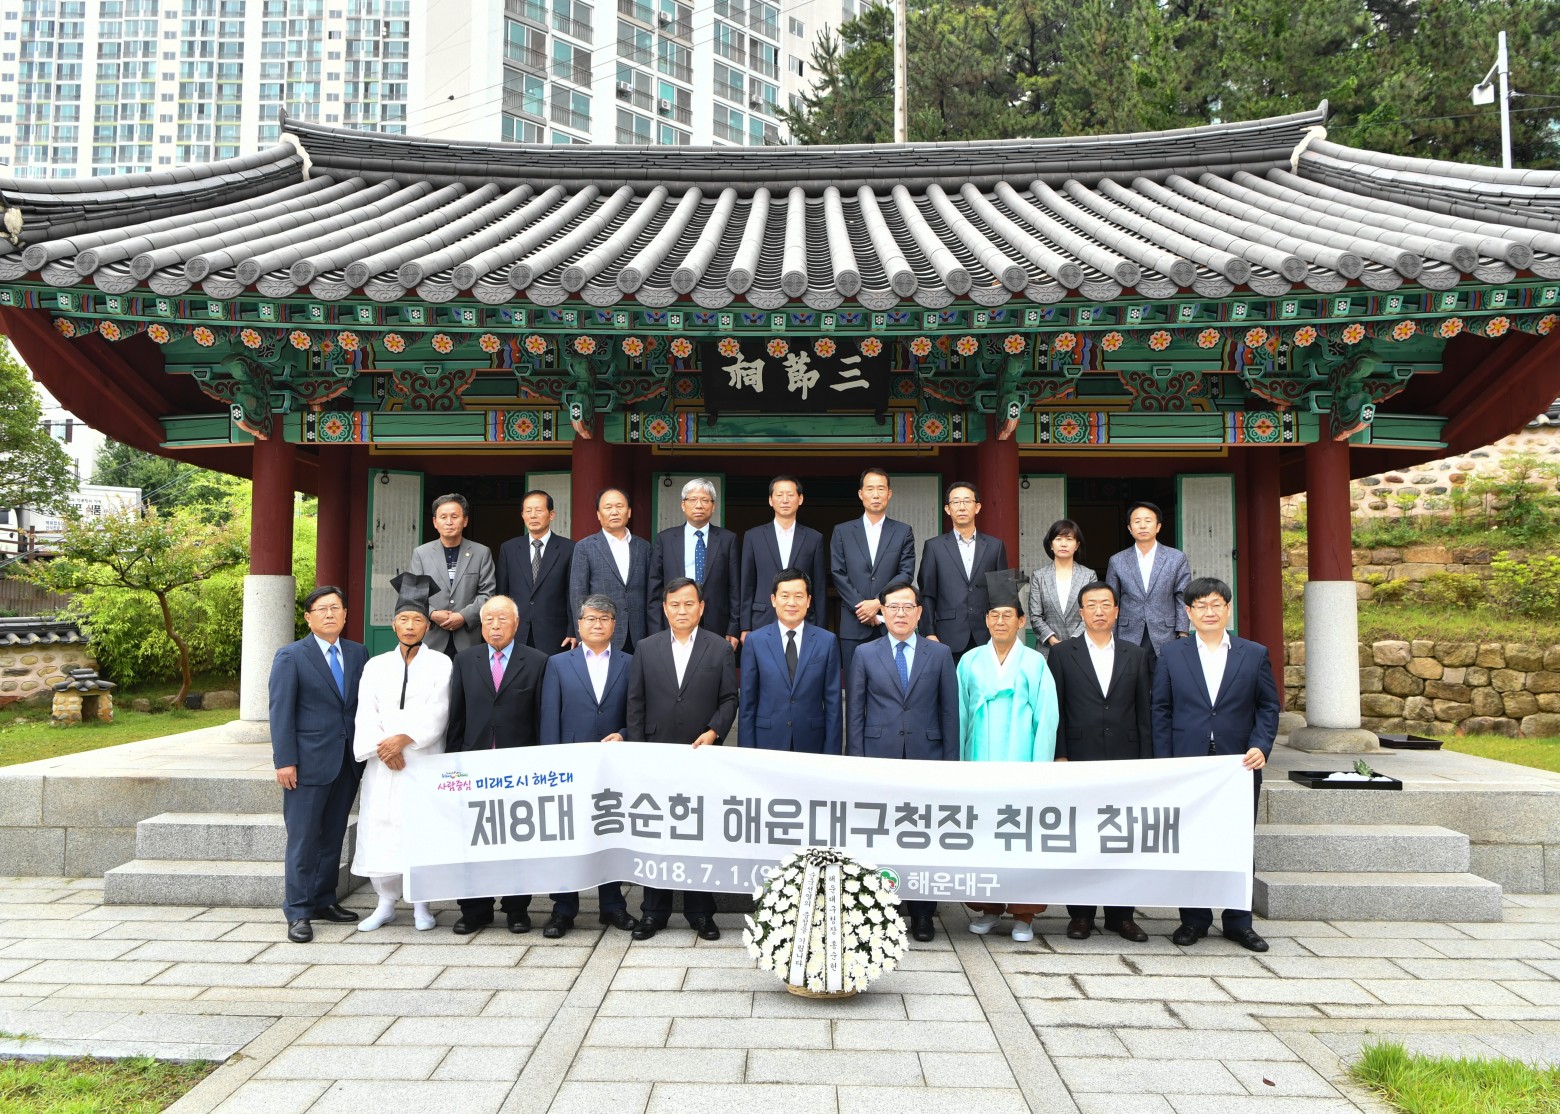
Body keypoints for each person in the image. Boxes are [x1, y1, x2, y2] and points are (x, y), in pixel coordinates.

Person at [1152, 576, 1279, 954]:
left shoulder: (1253, 653)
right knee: (1190, 840)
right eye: (1200, 606)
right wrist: (1165, 763)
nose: (1209, 612)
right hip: (1187, 764)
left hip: (1238, 764)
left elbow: (1268, 707)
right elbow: (1161, 709)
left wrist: (1261, 745)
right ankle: (1194, 920)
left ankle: (1239, 921)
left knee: (1237, 841)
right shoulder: (1172, 654)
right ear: (1188, 613)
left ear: (1228, 609)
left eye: (1216, 605)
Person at [625, 577, 738, 941]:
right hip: (656, 754)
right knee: (656, 833)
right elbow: (636, 703)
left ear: (701, 608)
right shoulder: (647, 648)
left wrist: (714, 731)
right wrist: (639, 751)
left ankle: (700, 912)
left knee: (698, 833)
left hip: (700, 753)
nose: (682, 610)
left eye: (689, 603)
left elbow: (729, 699)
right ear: (665, 608)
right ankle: (653, 912)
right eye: (675, 604)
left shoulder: (719, 648)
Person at [846, 581, 957, 942]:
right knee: (881, 836)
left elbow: (949, 713)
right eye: (893, 607)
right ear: (882, 612)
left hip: (927, 759)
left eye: (908, 607)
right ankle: (881, 912)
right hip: (879, 758)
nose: (900, 613)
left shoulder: (939, 654)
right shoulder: (865, 653)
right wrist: (857, 762)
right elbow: (856, 712)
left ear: (919, 612)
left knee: (923, 836)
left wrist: (951, 765)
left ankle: (923, 914)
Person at [958, 573, 1059, 943]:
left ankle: (1024, 914)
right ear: (986, 621)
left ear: (1021, 622)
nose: (1000, 621)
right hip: (978, 760)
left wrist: (1040, 770)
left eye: (1008, 616)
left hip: (1022, 760)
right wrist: (958, 765)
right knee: (982, 835)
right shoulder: (969, 661)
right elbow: (960, 714)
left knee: (1020, 836)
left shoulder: (1035, 662)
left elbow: (1046, 718)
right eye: (994, 615)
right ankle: (988, 907)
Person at [1049, 581, 1153, 943]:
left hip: (1125, 757)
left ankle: (1121, 916)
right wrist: (1060, 753)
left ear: (1116, 611)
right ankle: (1081, 915)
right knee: (1080, 836)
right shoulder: (1063, 653)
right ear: (1080, 612)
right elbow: (1056, 708)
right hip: (1079, 756)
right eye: (1091, 604)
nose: (1098, 611)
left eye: (1105, 604)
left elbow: (1144, 711)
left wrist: (1146, 760)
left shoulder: (1135, 654)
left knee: (1122, 838)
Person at [445, 595, 551, 936]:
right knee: (473, 839)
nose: (494, 625)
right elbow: (457, 716)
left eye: (502, 619)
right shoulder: (465, 660)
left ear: (516, 624)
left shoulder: (537, 661)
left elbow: (541, 716)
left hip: (518, 767)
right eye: (488, 619)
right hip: (473, 764)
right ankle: (475, 909)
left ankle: (517, 908)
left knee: (517, 840)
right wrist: (451, 765)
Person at [350, 572, 450, 933]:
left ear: (428, 626)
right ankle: (386, 902)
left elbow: (439, 712)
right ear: (393, 624)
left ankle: (422, 903)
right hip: (383, 764)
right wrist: (384, 746)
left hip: (421, 759)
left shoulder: (441, 664)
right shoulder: (375, 666)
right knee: (382, 827)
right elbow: (366, 713)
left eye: (417, 620)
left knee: (420, 828)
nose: (410, 626)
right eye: (403, 619)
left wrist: (405, 739)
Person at [537, 594, 641, 938]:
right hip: (570, 764)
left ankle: (612, 906)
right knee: (569, 835)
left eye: (604, 618)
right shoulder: (557, 663)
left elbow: (637, 712)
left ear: (615, 625)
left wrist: (625, 734)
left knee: (610, 831)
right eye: (591, 618)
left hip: (614, 764)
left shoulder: (630, 662)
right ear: (579, 624)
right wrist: (551, 764)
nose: (597, 624)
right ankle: (563, 909)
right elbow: (550, 716)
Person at [268, 585, 366, 944]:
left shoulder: (357, 652)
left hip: (346, 761)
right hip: (307, 763)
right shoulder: (291, 656)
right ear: (308, 618)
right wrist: (285, 760)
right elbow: (280, 711)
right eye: (321, 609)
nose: (329, 614)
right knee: (304, 839)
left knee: (333, 835)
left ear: (345, 615)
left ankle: (324, 900)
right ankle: (298, 910)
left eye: (335, 608)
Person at [738, 568, 842, 754]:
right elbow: (747, 704)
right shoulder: (755, 641)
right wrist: (746, 753)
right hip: (767, 742)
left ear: (808, 601)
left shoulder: (827, 641)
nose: (791, 603)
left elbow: (833, 705)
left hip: (812, 743)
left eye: (799, 596)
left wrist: (832, 755)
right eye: (785, 596)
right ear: (773, 600)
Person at [830, 467, 916, 682]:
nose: (875, 495)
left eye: (881, 489)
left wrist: (878, 603)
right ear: (861, 494)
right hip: (854, 623)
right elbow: (838, 573)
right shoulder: (842, 531)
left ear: (889, 493)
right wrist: (862, 608)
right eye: (870, 489)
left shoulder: (903, 531)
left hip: (890, 623)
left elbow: (905, 573)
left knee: (891, 686)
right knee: (855, 687)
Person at [917, 481, 1007, 661]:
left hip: (986, 634)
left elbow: (1002, 594)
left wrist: (1003, 632)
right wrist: (929, 632)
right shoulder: (934, 547)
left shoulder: (994, 546)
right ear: (948, 509)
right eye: (956, 502)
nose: (962, 507)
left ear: (977, 507)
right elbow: (927, 593)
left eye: (967, 501)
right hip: (946, 635)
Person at [648, 478, 740, 649]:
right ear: (683, 505)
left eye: (705, 500)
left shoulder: (728, 539)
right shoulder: (665, 539)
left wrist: (733, 628)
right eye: (693, 500)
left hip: (716, 623)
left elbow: (734, 587)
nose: (699, 505)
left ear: (713, 506)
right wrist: (656, 631)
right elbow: (655, 589)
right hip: (674, 621)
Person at [407, 493, 497, 656]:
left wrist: (463, 616)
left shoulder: (481, 552)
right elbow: (414, 594)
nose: (449, 522)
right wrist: (432, 614)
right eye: (443, 517)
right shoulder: (421, 553)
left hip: (468, 638)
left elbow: (487, 594)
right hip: (431, 636)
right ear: (435, 522)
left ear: (465, 520)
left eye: (454, 517)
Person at [1105, 501, 1190, 668]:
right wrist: (1110, 635)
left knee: (1164, 680)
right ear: (1129, 528)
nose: (1142, 525)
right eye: (1137, 521)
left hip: (1166, 633)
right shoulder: (1117, 560)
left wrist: (1183, 632)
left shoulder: (1176, 558)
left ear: (1158, 527)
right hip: (1128, 634)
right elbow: (1112, 601)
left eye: (1148, 521)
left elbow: (1182, 596)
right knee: (1130, 680)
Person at [739, 475, 827, 636]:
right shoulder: (753, 536)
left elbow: (819, 587)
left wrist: (821, 628)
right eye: (779, 495)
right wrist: (745, 626)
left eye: (790, 495)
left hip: (804, 619)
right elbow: (747, 584)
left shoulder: (814, 538)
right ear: (770, 500)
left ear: (800, 499)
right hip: (762, 618)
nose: (785, 500)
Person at [568, 487, 651, 652]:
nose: (614, 512)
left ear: (629, 512)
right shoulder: (585, 547)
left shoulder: (643, 547)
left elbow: (650, 592)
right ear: (598, 514)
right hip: (600, 631)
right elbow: (578, 594)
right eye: (608, 507)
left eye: (619, 506)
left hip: (639, 633)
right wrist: (582, 634)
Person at [496, 489, 576, 655]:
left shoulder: (569, 548)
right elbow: (502, 594)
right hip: (517, 632)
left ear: (551, 514)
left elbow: (572, 593)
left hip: (555, 634)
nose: (533, 516)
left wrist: (572, 630)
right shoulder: (509, 549)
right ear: (522, 515)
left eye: (538, 510)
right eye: (528, 511)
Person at [1028, 519, 1095, 656]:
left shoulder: (1088, 576)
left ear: (1076, 545)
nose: (1063, 544)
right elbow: (1035, 616)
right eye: (1058, 539)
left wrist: (1074, 639)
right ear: (1051, 545)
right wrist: (1051, 639)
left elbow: (1091, 612)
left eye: (1069, 539)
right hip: (1047, 650)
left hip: (1080, 648)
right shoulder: (1039, 576)